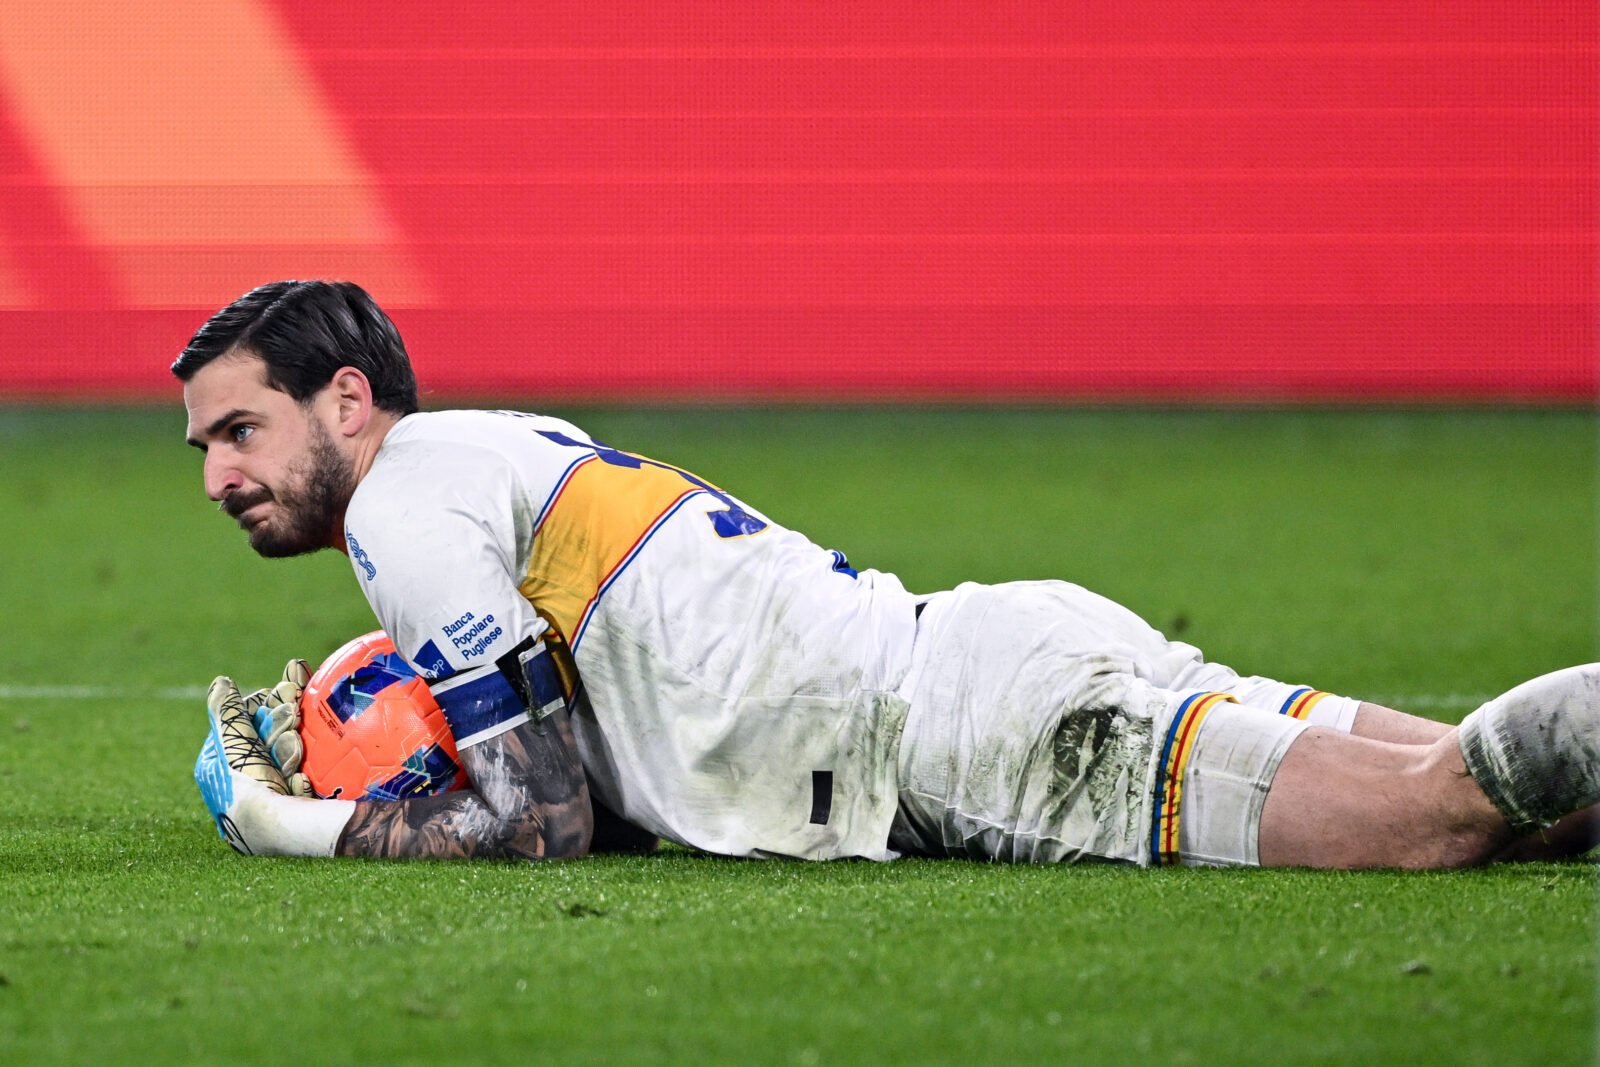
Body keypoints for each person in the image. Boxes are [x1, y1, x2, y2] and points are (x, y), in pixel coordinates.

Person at [177, 280, 1599, 868]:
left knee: (1443, 816)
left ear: (347, 400)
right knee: (1543, 823)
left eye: (243, 430)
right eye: (202, 447)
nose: (219, 476)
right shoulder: (487, 451)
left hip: (962, 736)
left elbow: (534, 824)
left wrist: (284, 822)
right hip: (984, 659)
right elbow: (591, 791)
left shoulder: (403, 513)